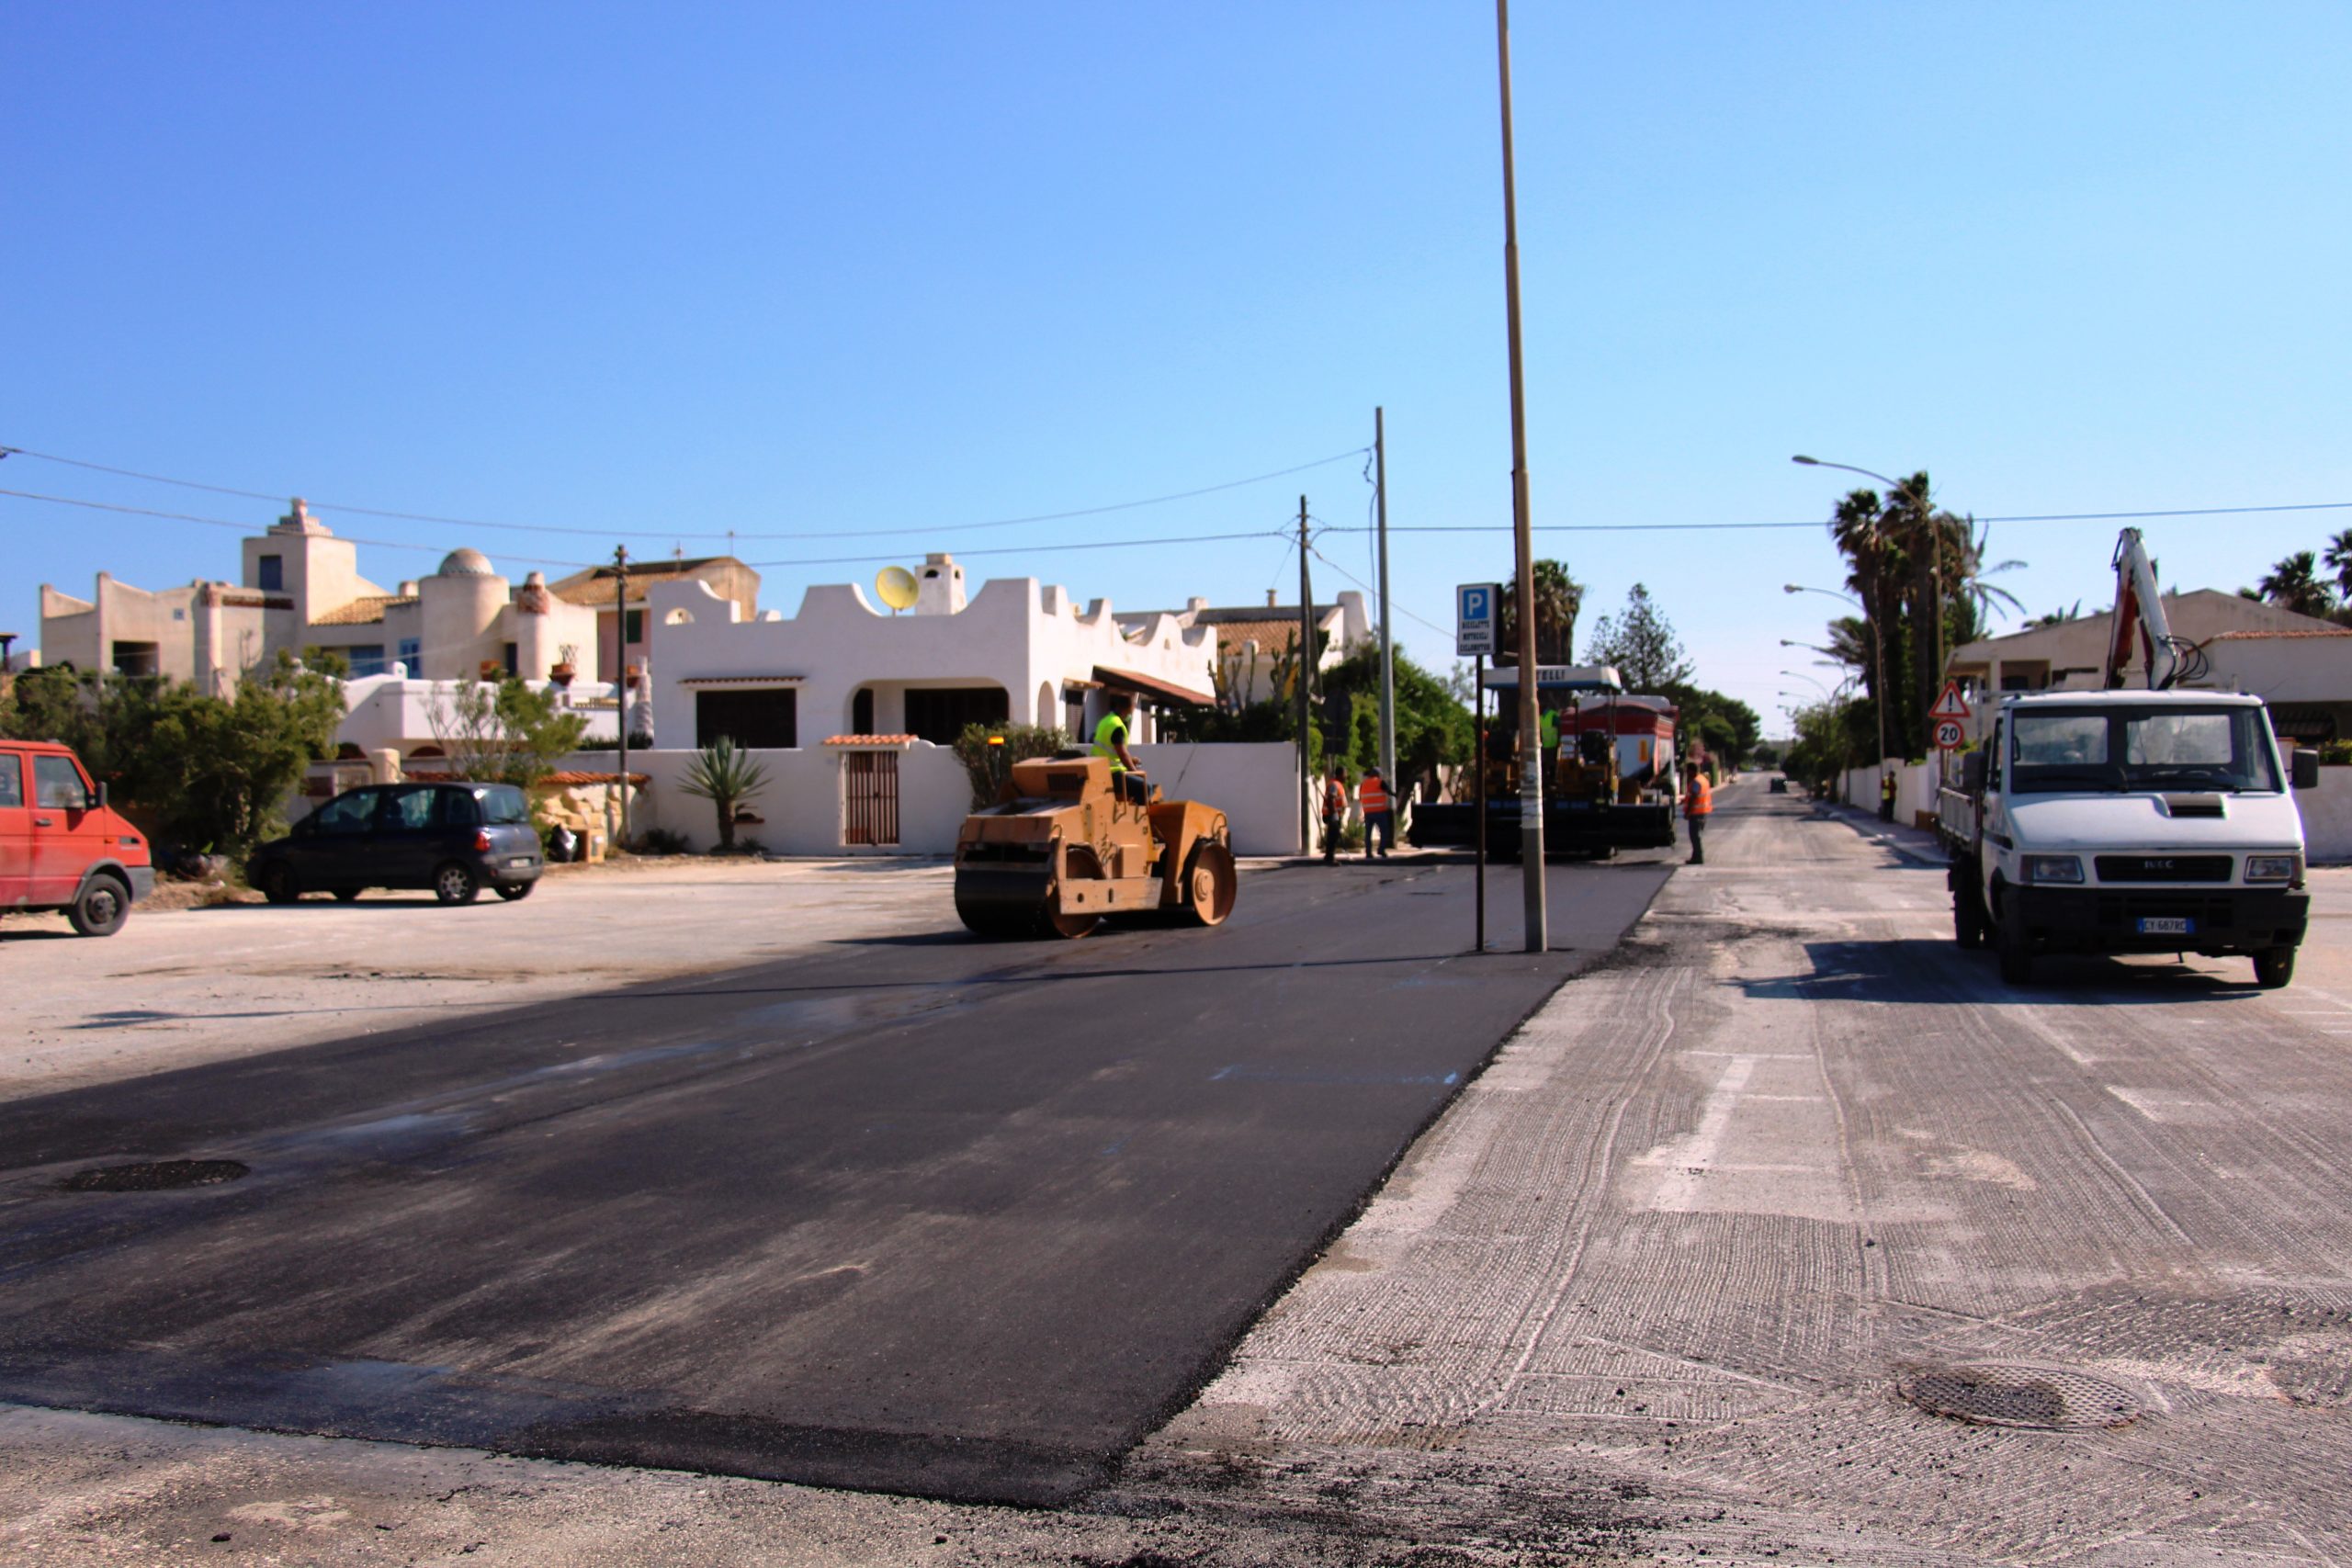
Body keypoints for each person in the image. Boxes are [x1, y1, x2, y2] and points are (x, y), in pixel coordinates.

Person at [1091, 693, 1148, 804]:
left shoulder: (1105, 721)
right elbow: (1122, 754)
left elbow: (1110, 751)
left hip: (1099, 771)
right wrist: (1135, 772)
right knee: (1145, 787)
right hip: (1112, 774)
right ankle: (1140, 819)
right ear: (1129, 707)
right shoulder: (1117, 726)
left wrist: (1131, 759)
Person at [1684, 754, 1713, 864]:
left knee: (1695, 837)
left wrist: (1688, 812)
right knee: (1696, 836)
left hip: (1696, 814)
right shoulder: (1703, 780)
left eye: (1687, 771)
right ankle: (1695, 857)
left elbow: (1694, 797)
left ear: (1692, 771)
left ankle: (1698, 858)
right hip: (1703, 813)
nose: (1687, 774)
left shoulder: (1696, 781)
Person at [1359, 767, 1394, 860]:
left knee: (1368, 833)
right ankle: (1381, 849)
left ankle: (1368, 852)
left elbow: (1360, 797)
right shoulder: (1380, 782)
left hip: (1367, 812)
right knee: (1384, 831)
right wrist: (1394, 794)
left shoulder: (1363, 784)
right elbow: (1389, 792)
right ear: (1378, 774)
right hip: (1379, 811)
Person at [1322, 767, 1349, 863]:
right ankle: (1330, 857)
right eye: (1345, 774)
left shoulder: (1338, 784)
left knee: (1333, 836)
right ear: (1340, 775)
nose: (1346, 776)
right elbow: (1331, 799)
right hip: (1332, 815)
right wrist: (1334, 814)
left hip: (1335, 814)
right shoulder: (1334, 784)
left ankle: (1328, 856)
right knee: (1333, 836)